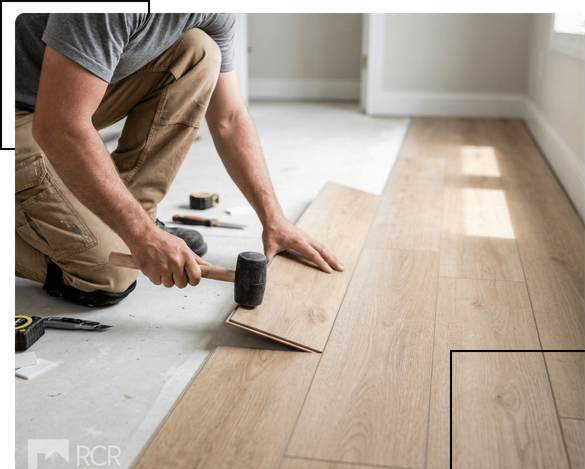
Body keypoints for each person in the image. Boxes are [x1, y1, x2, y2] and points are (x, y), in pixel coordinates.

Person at [13, 11, 343, 307]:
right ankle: (125, 232)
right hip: (25, 110)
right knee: (108, 276)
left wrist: (274, 218)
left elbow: (229, 118)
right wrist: (142, 236)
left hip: (57, 95)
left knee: (199, 51)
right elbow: (59, 125)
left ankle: (130, 219)